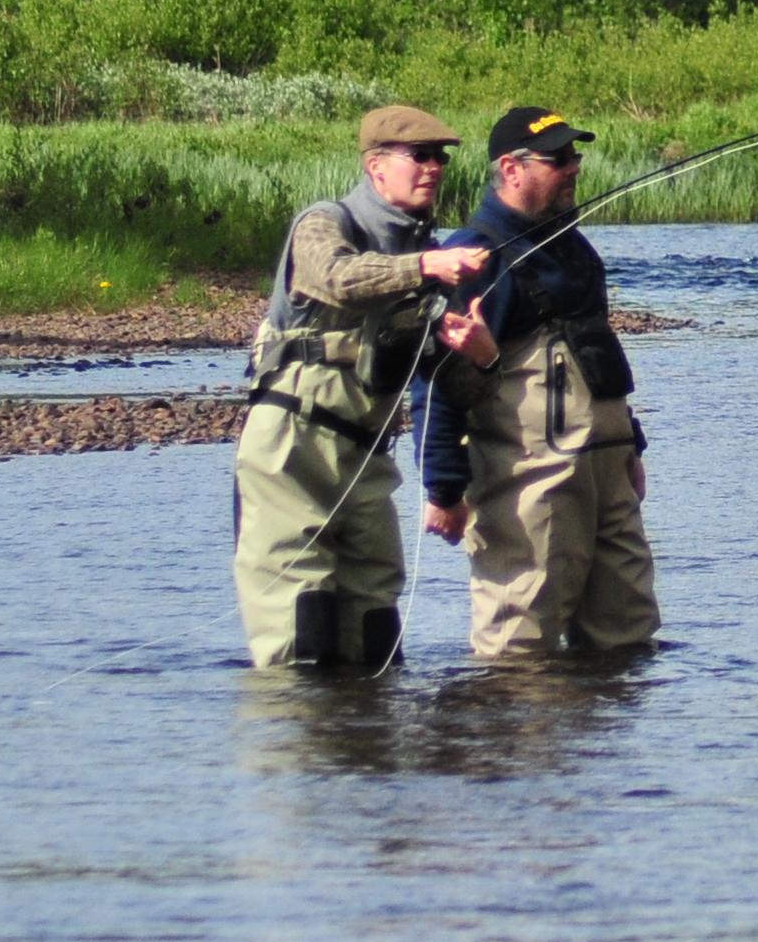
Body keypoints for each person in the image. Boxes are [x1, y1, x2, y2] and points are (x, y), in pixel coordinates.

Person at [234, 106, 491, 670]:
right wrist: (426, 266)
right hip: (291, 443)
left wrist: (479, 354)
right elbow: (338, 278)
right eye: (419, 156)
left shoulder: (431, 259)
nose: (434, 168)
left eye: (441, 158)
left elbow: (453, 391)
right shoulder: (326, 222)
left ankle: (367, 745)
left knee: (374, 616)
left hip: (367, 453)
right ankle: (299, 747)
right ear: (376, 166)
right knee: (302, 618)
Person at [416, 106, 658, 663]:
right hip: (528, 485)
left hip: (607, 474)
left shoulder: (574, 249)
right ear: (511, 168)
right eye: (557, 159)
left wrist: (631, 447)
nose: (573, 167)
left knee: (629, 640)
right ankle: (508, 751)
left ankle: (609, 753)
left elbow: (598, 354)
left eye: (575, 156)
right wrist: (444, 490)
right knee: (519, 649)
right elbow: (436, 384)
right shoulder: (476, 257)